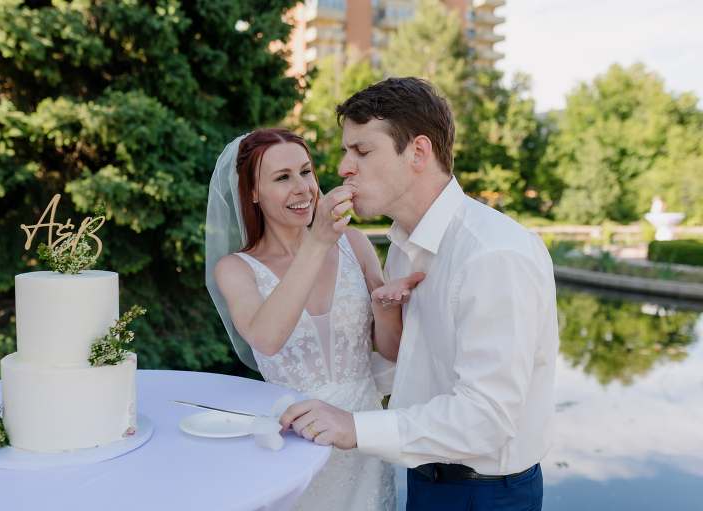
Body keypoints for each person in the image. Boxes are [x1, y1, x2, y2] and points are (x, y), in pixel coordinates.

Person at [279, 77, 560, 511]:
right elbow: (417, 362)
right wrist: (323, 392)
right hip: (426, 477)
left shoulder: (494, 255)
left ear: (418, 152)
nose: (343, 168)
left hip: (485, 494)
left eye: (361, 150)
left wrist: (356, 426)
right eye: (344, 151)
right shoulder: (404, 248)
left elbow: (487, 419)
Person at [205, 128, 422, 511]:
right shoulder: (237, 269)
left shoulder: (355, 244)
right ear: (252, 192)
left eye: (306, 171)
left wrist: (385, 309)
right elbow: (266, 337)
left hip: (364, 437)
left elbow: (389, 349)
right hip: (294, 442)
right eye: (282, 177)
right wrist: (318, 241)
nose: (302, 188)